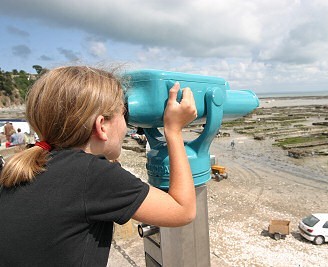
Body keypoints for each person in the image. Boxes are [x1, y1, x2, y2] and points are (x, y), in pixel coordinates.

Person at [0, 66, 197, 266]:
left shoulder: (29, 165)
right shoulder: (91, 175)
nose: (127, 125)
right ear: (101, 125)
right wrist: (173, 130)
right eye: (124, 114)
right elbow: (183, 210)